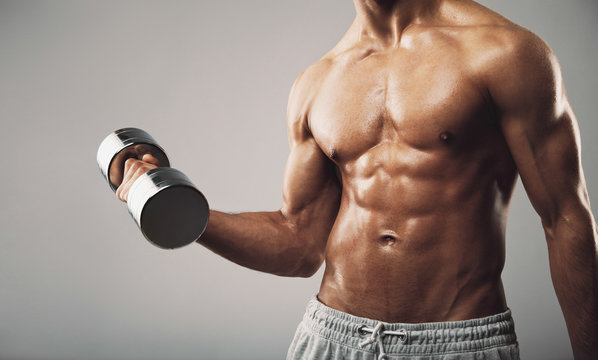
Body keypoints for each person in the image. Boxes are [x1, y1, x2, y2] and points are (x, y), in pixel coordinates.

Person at [115, 0, 598, 358]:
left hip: (456, 343)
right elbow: (299, 244)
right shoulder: (317, 81)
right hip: (331, 339)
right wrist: (170, 200)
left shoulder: (504, 51)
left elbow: (564, 218)